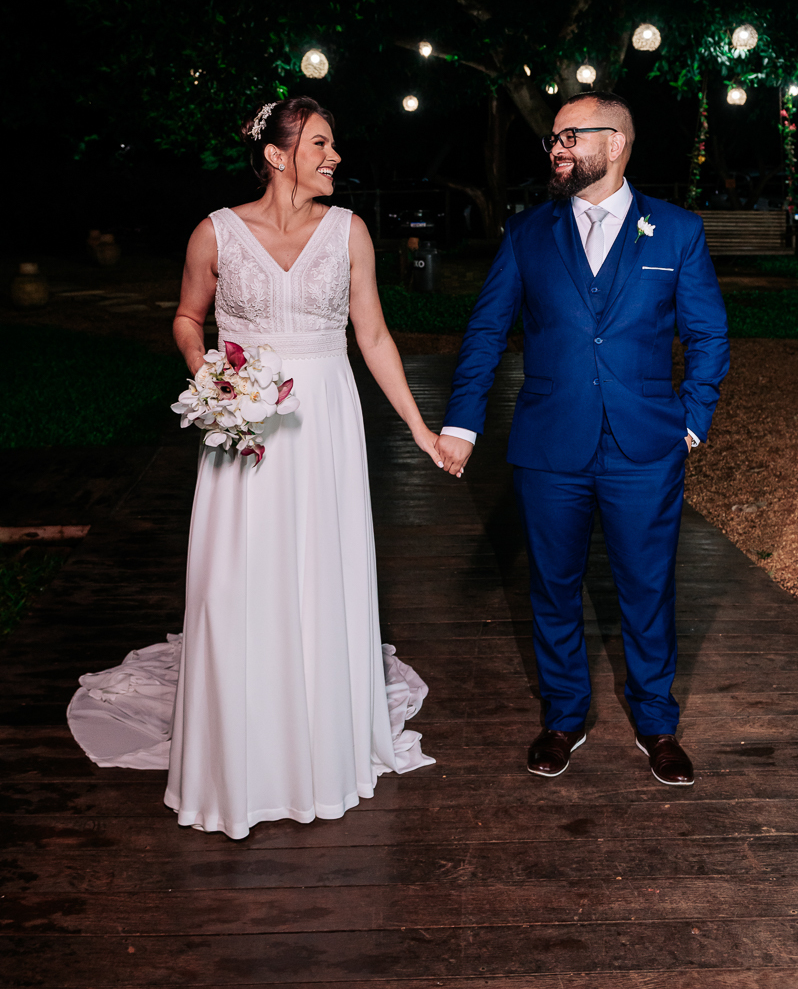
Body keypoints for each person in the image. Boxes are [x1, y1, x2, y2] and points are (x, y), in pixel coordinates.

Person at [67, 96, 439, 837]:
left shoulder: (350, 232)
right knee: (240, 577)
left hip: (325, 420)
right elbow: (186, 316)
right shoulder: (216, 233)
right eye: (321, 145)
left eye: (335, 145)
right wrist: (208, 375)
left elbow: (372, 336)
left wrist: (420, 428)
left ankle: (320, 740)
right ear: (277, 154)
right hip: (247, 427)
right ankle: (245, 749)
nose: (335, 157)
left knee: (319, 572)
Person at [435, 92, 729, 786]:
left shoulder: (677, 231)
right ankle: (564, 716)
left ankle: (656, 722)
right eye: (554, 139)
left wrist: (691, 420)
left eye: (570, 136)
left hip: (645, 446)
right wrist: (461, 421)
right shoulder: (529, 233)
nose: (556, 148)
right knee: (553, 585)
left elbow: (709, 336)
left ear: (616, 144)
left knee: (648, 587)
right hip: (549, 446)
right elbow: (485, 331)